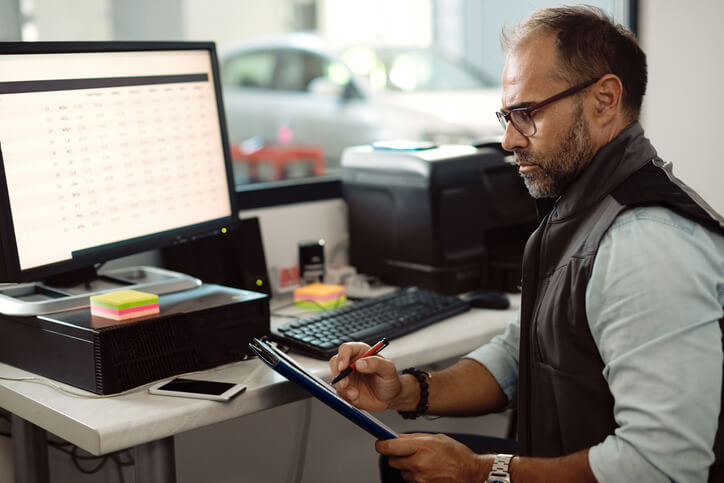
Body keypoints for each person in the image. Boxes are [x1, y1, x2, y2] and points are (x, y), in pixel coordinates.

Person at [330, 5, 724, 482]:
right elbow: (523, 355)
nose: (507, 139)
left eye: (526, 113)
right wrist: (408, 391)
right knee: (402, 463)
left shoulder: (647, 245)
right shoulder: (580, 207)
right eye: (506, 115)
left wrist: (482, 472)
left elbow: (661, 468)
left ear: (604, 100)